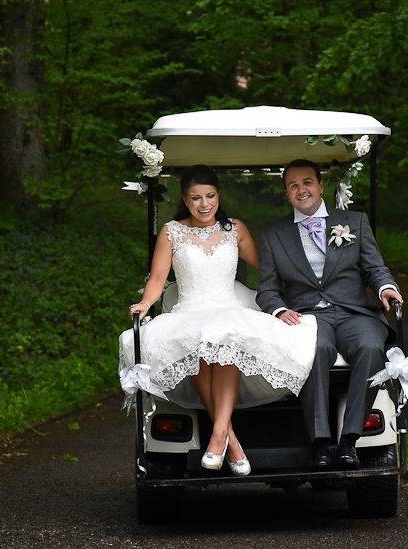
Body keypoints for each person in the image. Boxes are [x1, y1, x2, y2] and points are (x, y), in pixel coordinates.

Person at [119, 165, 317, 476]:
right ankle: (230, 442)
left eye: (210, 196)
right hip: (190, 310)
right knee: (196, 342)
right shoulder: (172, 232)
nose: (204, 204)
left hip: (230, 305)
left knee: (226, 339)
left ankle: (218, 437)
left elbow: (267, 267)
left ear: (218, 196)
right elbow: (158, 279)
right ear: (185, 200)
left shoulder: (234, 228)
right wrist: (144, 303)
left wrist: (304, 281)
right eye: (196, 198)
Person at [256, 159, 404, 470]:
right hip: (308, 316)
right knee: (316, 350)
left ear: (321, 186)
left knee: (370, 347)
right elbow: (267, 289)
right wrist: (280, 310)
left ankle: (349, 441)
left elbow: (375, 268)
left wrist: (385, 288)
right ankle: (320, 443)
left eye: (307, 182)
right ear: (286, 193)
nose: (301, 189)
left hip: (355, 312)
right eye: (293, 185)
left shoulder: (355, 221)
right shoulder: (273, 235)